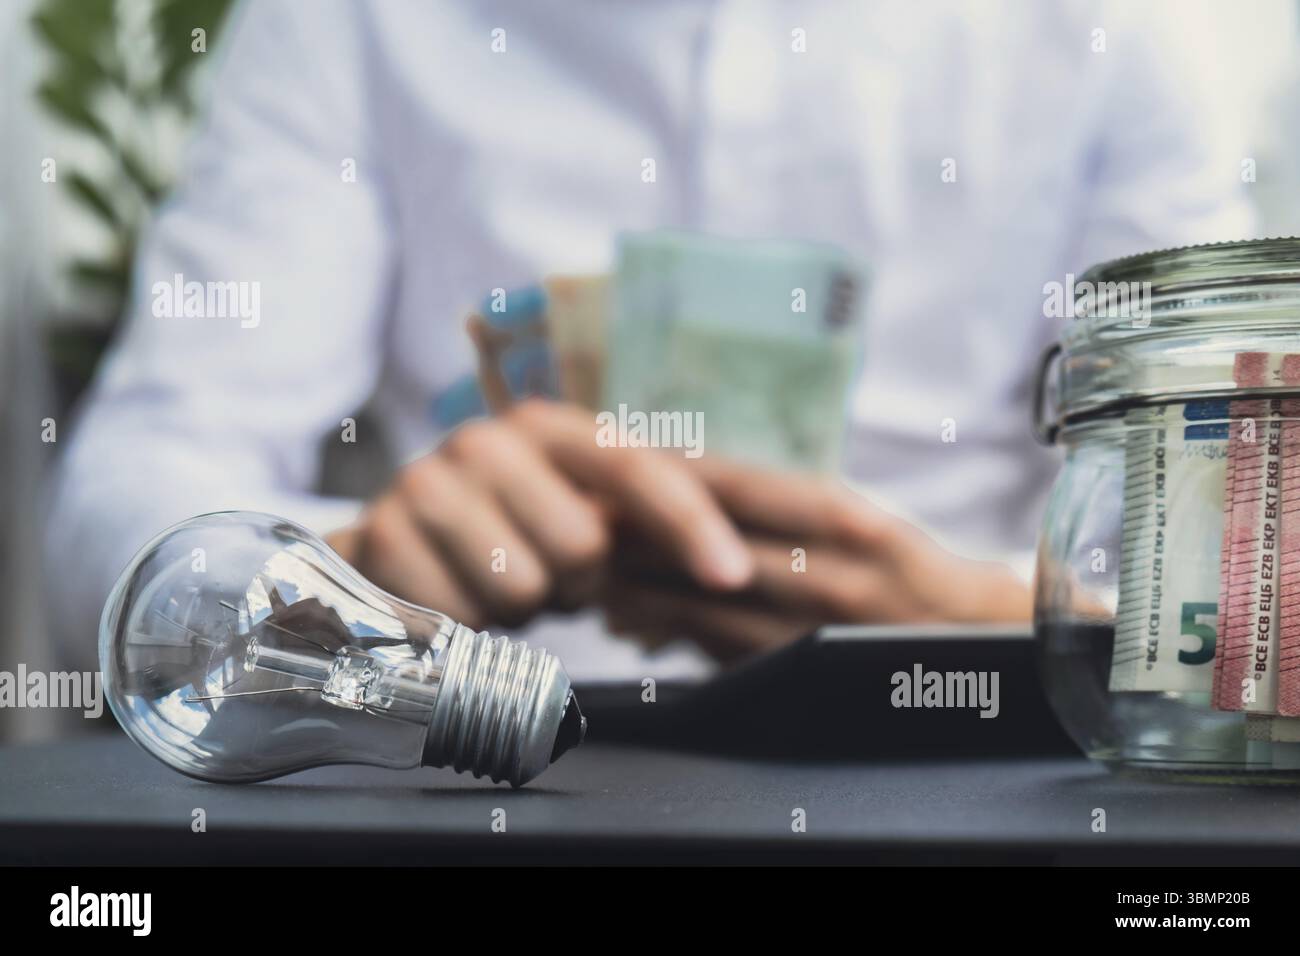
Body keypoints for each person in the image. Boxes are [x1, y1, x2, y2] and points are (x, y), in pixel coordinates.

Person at [45, 0, 1256, 680]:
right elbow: (129, 493)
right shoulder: (350, 21)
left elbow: (1228, 570)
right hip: (476, 751)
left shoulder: (1123, 35)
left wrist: (987, 624)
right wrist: (346, 578)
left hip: (976, 756)